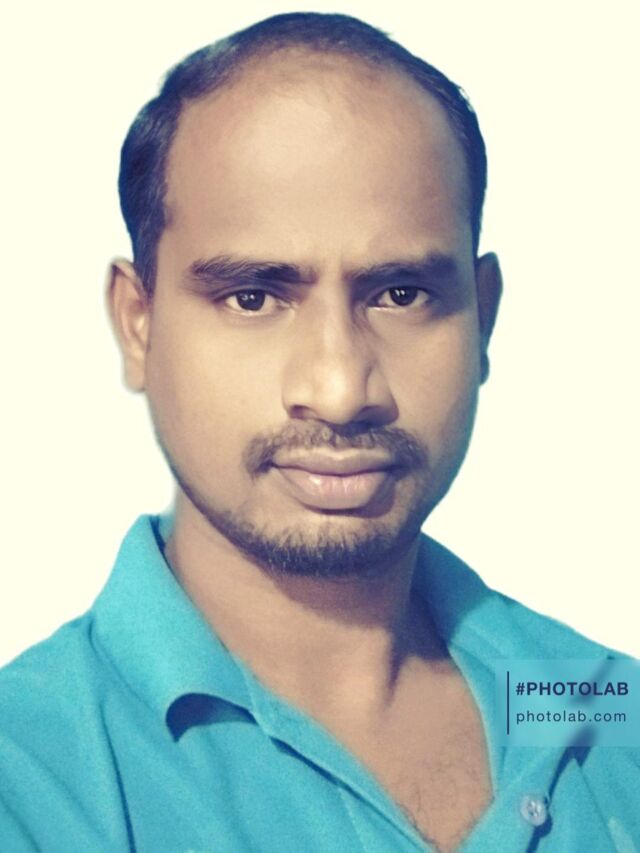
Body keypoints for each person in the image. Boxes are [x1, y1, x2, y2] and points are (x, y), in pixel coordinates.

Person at [0, 11, 637, 853]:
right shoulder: (29, 776)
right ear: (138, 325)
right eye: (253, 296)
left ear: (482, 319)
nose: (339, 390)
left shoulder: (601, 707)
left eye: (401, 294)